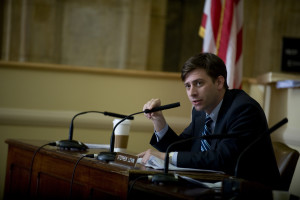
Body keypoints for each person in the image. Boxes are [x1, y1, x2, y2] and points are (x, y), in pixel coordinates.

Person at [138, 52, 280, 188]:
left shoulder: (244, 109)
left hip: (251, 193)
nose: (192, 93)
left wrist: (166, 156)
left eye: (198, 83)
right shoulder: (200, 112)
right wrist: (158, 120)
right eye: (188, 86)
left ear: (219, 82)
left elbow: (222, 159)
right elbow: (180, 148)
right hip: (213, 187)